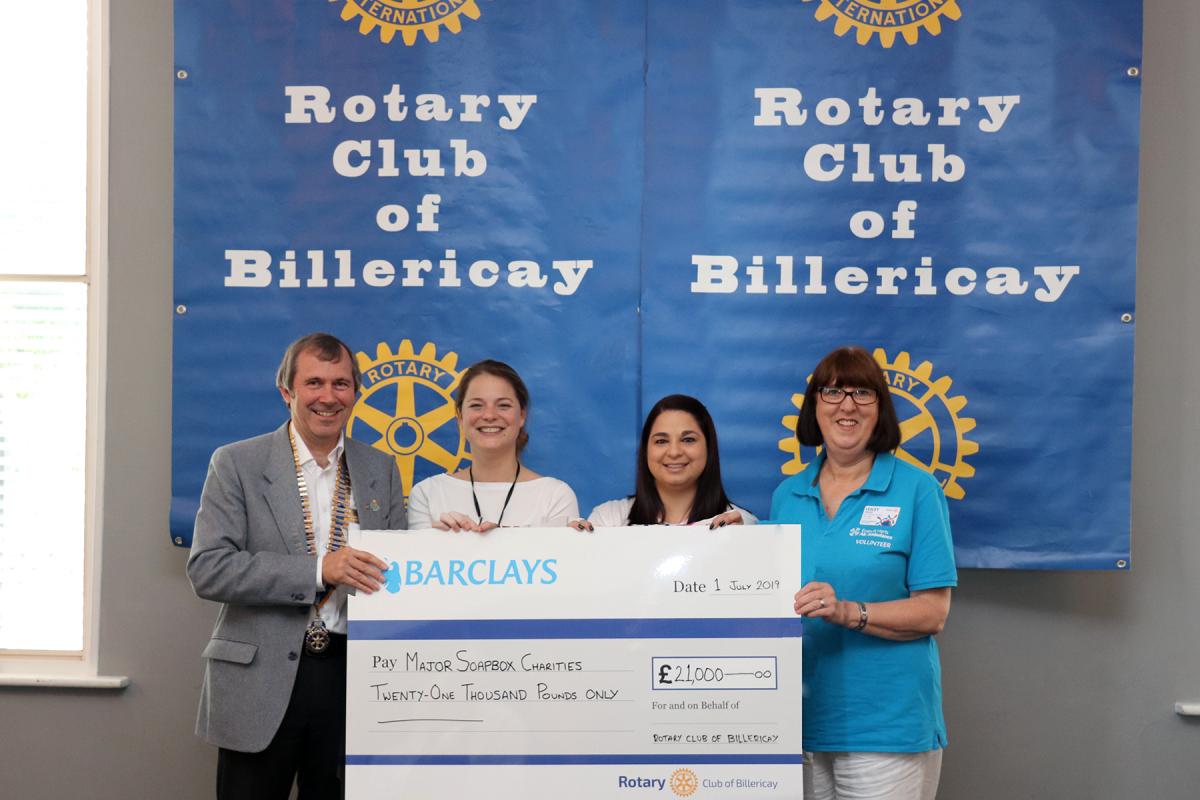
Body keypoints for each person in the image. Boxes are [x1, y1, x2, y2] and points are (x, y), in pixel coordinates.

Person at [187, 332, 406, 799]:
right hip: (259, 679)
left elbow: (400, 573)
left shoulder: (381, 469)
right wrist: (317, 571)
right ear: (287, 392)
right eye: (314, 383)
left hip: (350, 680)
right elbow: (209, 568)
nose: (328, 397)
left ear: (356, 393)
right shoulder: (236, 464)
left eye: (341, 384)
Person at [769, 346, 956, 800]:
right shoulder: (786, 496)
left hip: (886, 729)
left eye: (862, 393)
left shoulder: (916, 490)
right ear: (815, 406)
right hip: (798, 727)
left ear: (881, 409)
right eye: (832, 391)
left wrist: (850, 611)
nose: (846, 404)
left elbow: (933, 613)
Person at [407, 359, 578, 530]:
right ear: (460, 417)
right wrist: (436, 541)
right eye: (476, 405)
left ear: (522, 416)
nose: (489, 415)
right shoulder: (427, 494)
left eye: (503, 405)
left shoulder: (556, 496)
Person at [576, 394, 755, 530]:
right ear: (646, 450)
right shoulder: (608, 520)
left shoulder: (740, 523)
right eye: (661, 441)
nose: (675, 452)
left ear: (709, 447)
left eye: (688, 440)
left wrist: (740, 542)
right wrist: (570, 549)